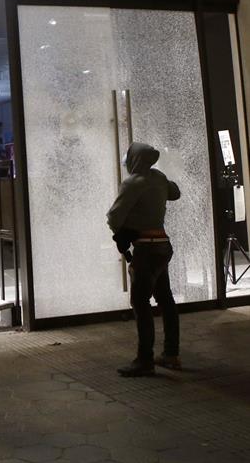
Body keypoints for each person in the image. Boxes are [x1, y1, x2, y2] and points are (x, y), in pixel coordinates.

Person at [107, 142, 181, 377]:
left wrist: (122, 231)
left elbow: (114, 216)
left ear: (134, 160)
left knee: (140, 302)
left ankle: (145, 359)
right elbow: (175, 193)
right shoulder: (158, 178)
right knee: (166, 300)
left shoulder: (132, 182)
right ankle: (171, 354)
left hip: (146, 249)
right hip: (163, 246)